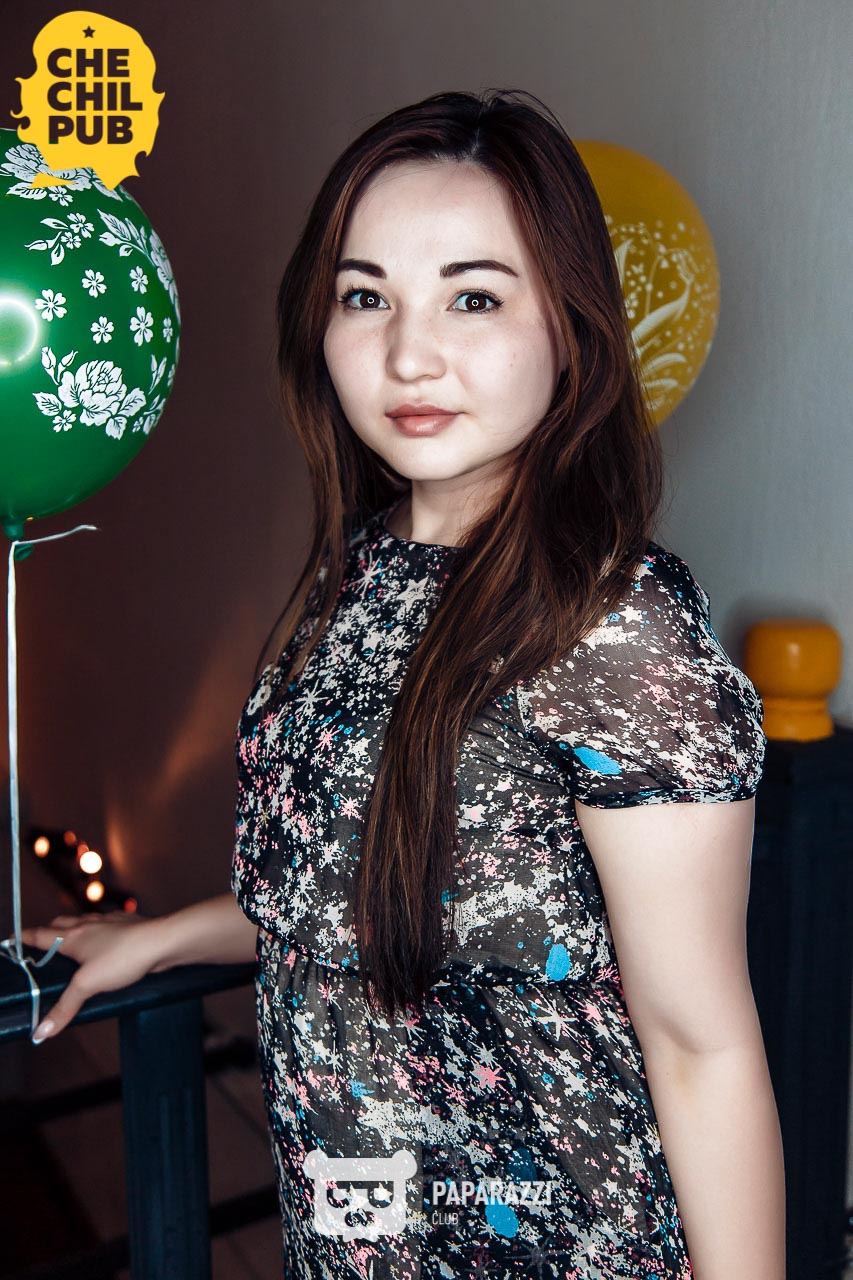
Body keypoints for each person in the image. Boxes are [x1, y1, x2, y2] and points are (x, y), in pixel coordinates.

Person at [20, 89, 785, 1278]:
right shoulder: (358, 572)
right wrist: (165, 936)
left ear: (569, 324)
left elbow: (699, 1040)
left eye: (473, 296)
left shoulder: (611, 625)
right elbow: (365, 883)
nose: (408, 355)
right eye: (365, 296)